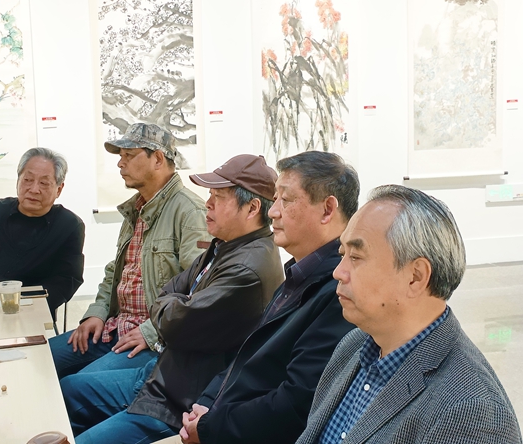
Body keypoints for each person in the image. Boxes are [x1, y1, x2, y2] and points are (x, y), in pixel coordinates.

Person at [62, 154, 285, 444]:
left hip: (179, 400)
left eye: (218, 197)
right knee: (68, 390)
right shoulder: (226, 244)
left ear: (252, 208)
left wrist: (170, 305)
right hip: (163, 373)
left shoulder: (246, 267)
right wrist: (172, 303)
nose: (208, 203)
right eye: (210, 195)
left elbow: (173, 322)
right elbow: (169, 290)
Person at [296, 185, 523, 444]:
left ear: (415, 277)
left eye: (356, 257)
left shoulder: (472, 412)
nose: (338, 272)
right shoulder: (353, 347)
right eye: (342, 254)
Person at [178, 151, 359, 444]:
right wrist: (207, 404)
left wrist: (211, 426)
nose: (272, 212)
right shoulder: (298, 275)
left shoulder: (339, 292)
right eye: (274, 199)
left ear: (327, 210)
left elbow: (296, 404)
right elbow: (246, 359)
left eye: (285, 200)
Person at [49, 123, 211, 378]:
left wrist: (152, 332)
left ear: (158, 159)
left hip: (152, 339)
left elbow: (200, 292)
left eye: (129, 155)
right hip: (116, 326)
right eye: (120, 156)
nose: (120, 164)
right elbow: (116, 271)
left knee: (75, 386)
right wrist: (97, 313)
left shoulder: (190, 212)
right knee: (39, 360)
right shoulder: (137, 208)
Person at [0, 147, 84, 320]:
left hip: (33, 312)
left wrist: (23, 304)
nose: (34, 189)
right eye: (28, 180)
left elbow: (67, 279)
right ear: (18, 181)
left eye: (44, 183)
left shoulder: (69, 225)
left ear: (59, 189)